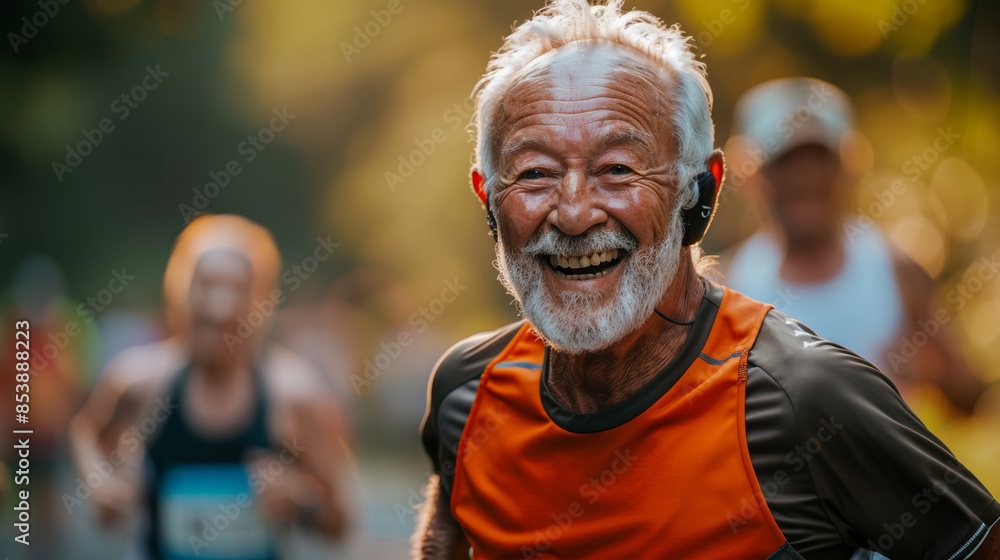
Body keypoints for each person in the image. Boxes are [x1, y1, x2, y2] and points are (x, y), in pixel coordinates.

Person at [412, 1, 999, 558]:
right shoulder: (467, 392)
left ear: (700, 193)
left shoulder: (811, 395)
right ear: (488, 200)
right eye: (534, 173)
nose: (573, 213)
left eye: (618, 169)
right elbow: (447, 529)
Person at [68, 214, 348, 559]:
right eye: (207, 285)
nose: (219, 306)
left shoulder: (294, 396)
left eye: (237, 289)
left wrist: (301, 501)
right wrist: (100, 481)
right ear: (180, 291)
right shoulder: (140, 383)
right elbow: (85, 430)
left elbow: (339, 523)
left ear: (262, 301)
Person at [721, 77, 986, 414]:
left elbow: (970, 400)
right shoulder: (731, 285)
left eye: (820, 161)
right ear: (753, 175)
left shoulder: (895, 269)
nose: (806, 178)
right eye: (786, 163)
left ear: (848, 165)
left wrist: (930, 372)